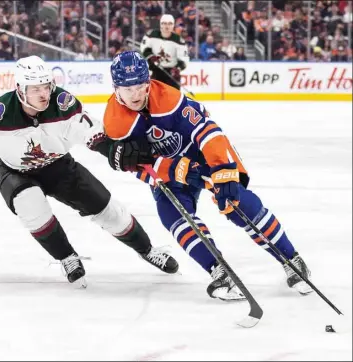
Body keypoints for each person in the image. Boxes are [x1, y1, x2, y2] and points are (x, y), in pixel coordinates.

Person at [0, 55, 179, 287]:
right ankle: (67, 257)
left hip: (59, 167)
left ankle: (147, 250)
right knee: (29, 204)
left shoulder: (63, 104)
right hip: (16, 174)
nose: (43, 94)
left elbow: (89, 132)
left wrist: (112, 150)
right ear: (20, 89)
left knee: (110, 211)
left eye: (46, 86)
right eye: (35, 89)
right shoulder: (0, 112)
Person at [104, 51, 313, 301]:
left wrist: (222, 171)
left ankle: (292, 260)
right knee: (172, 212)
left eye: (141, 85)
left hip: (204, 156)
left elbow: (208, 131)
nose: (136, 94)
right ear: (116, 87)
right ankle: (218, 270)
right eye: (128, 89)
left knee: (236, 202)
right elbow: (135, 164)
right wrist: (173, 170)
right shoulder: (115, 121)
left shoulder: (170, 99)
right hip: (168, 166)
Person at [140, 14, 189, 90]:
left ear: (173, 25)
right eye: (164, 23)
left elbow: (184, 59)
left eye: (170, 24)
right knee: (154, 97)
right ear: (160, 24)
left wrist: (177, 69)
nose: (167, 26)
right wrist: (150, 56)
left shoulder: (179, 41)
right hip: (156, 71)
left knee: (173, 99)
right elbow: (144, 47)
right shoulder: (151, 35)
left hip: (172, 74)